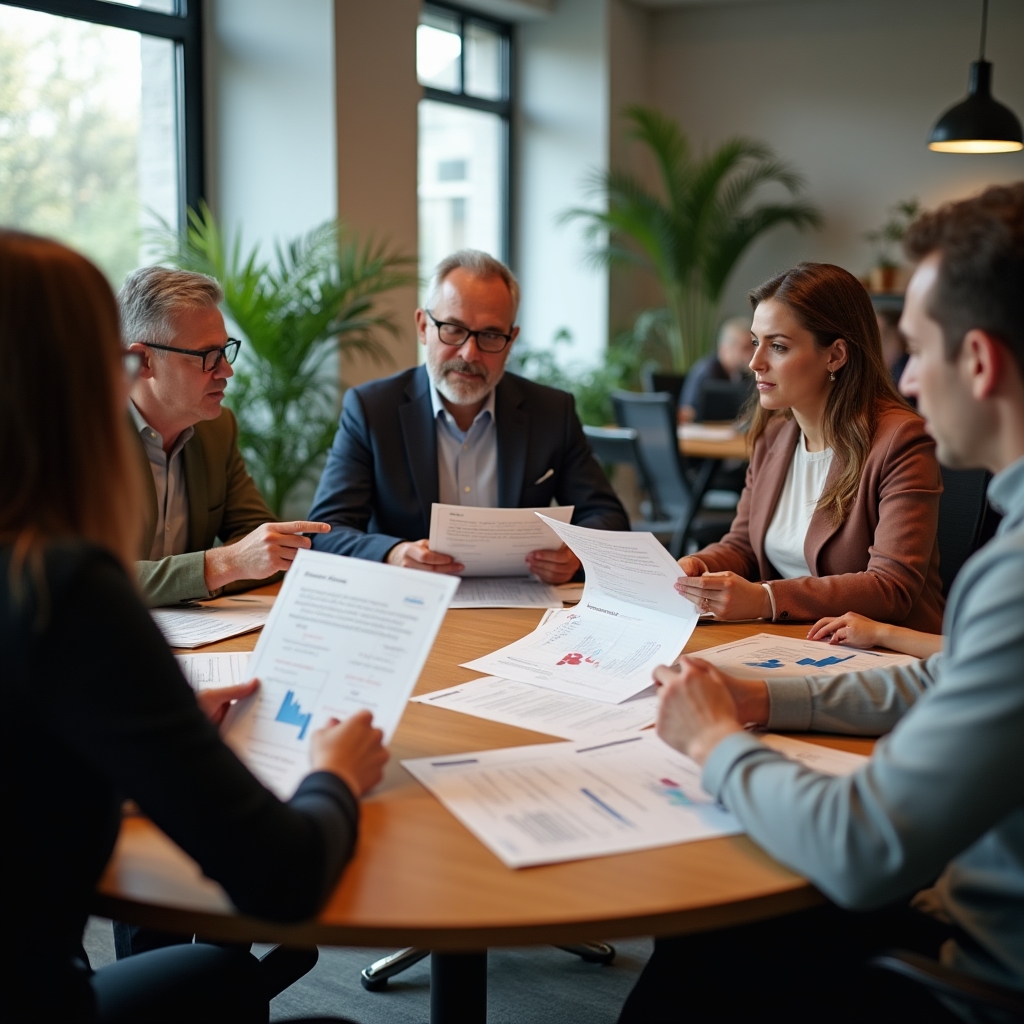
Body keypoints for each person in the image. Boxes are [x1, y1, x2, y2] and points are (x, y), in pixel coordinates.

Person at [620, 182, 1024, 1022]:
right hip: (953, 878)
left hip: (974, 969)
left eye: (919, 349)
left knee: (706, 931)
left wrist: (717, 741)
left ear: (981, 362)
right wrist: (767, 696)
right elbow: (949, 678)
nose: (908, 377)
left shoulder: (1006, 569)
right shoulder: (778, 435)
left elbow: (863, 845)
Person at [0, 230, 388, 1022]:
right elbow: (283, 878)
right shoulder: (64, 588)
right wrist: (335, 774)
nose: (224, 370)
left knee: (218, 978)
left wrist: (144, 734)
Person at [308, 249, 630, 583]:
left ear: (510, 341)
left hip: (522, 603)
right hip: (412, 599)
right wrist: (393, 554)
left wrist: (576, 554)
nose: (469, 353)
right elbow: (325, 532)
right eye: (453, 328)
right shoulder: (372, 410)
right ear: (423, 326)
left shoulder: (550, 411)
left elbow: (608, 516)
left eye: (490, 335)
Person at [674, 262, 945, 631]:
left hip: (883, 651)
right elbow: (743, 546)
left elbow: (891, 587)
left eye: (778, 346)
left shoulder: (900, 441)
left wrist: (766, 598)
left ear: (835, 355)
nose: (755, 362)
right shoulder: (774, 436)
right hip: (791, 640)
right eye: (755, 342)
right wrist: (698, 567)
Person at [121, 267, 330, 607]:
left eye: (225, 350)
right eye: (207, 356)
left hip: (194, 631)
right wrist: (222, 565)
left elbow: (262, 545)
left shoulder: (216, 429)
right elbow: (82, 578)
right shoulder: (79, 439)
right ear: (144, 361)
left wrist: (221, 571)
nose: (226, 370)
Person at [677, 316, 755, 423]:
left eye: (753, 347)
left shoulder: (744, 373)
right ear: (725, 349)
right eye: (745, 348)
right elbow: (687, 414)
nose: (752, 354)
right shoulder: (705, 373)